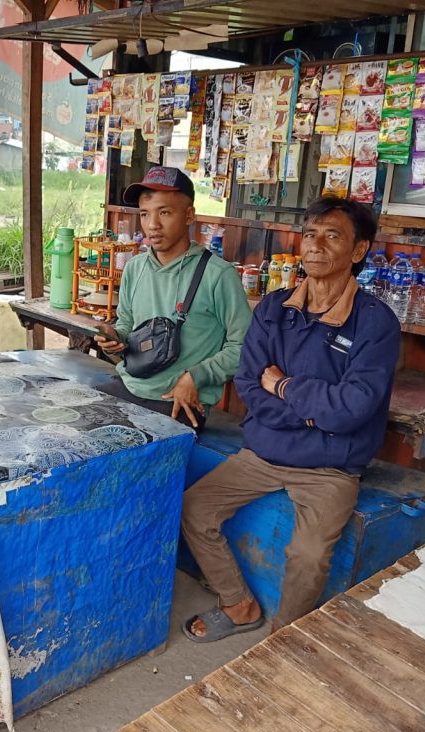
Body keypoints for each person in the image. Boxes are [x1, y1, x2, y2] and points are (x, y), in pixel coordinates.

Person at [181, 197, 400, 642]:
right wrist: (313, 416)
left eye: (332, 236)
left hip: (331, 466)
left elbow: (355, 407)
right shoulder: (274, 309)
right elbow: (247, 384)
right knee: (195, 508)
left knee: (308, 552)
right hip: (265, 451)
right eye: (309, 235)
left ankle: (282, 638)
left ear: (358, 251)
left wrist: (283, 387)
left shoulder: (376, 322)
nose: (316, 246)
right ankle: (237, 603)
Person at [93, 166, 251, 431]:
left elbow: (244, 346)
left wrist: (195, 377)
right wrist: (114, 337)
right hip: (130, 385)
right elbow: (127, 326)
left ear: (189, 215)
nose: (152, 225)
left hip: (179, 402)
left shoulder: (218, 275)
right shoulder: (135, 267)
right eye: (145, 214)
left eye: (164, 212)